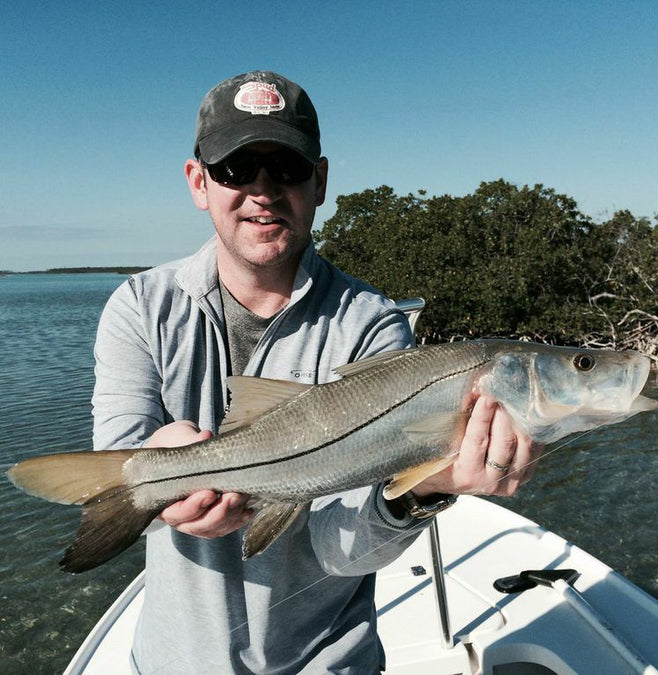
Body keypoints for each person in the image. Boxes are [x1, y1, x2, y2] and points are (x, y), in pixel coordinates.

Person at [92, 70, 540, 674]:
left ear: (320, 180)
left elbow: (339, 549)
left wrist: (428, 490)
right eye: (235, 170)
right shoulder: (140, 306)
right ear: (199, 183)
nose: (262, 191)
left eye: (287, 168)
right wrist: (161, 462)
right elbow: (116, 471)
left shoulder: (374, 326)